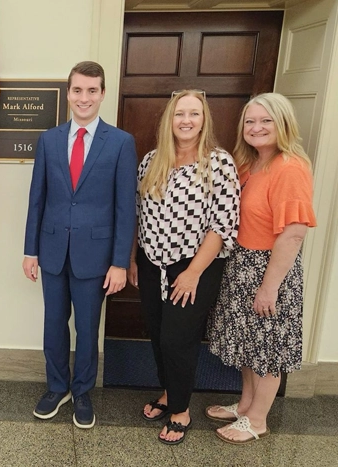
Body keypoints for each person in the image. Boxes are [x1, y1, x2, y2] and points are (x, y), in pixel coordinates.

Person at [23, 61, 138, 429]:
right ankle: (57, 387)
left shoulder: (120, 142)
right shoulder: (50, 139)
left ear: (102, 93)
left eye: (92, 90)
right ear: (68, 93)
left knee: (87, 328)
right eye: (77, 90)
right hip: (53, 251)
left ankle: (83, 390)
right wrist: (31, 250)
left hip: (96, 257)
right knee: (53, 324)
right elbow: (36, 199)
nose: (84, 97)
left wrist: (120, 262)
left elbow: (125, 207)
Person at [127, 89, 240, 445]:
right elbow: (137, 214)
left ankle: (180, 409)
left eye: (194, 114)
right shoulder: (151, 161)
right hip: (150, 263)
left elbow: (222, 225)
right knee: (159, 335)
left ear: (204, 119)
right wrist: (133, 258)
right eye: (179, 114)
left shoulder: (218, 162)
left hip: (194, 268)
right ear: (169, 120)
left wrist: (192, 273)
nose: (186, 121)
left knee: (178, 339)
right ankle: (169, 391)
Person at [207, 93, 317, 444]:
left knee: (267, 347)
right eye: (250, 121)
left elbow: (294, 234)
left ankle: (257, 420)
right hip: (242, 264)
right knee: (247, 344)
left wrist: (269, 287)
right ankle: (244, 406)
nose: (256, 128)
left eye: (266, 121)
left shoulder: (290, 167)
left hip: (269, 269)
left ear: (282, 124)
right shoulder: (250, 162)